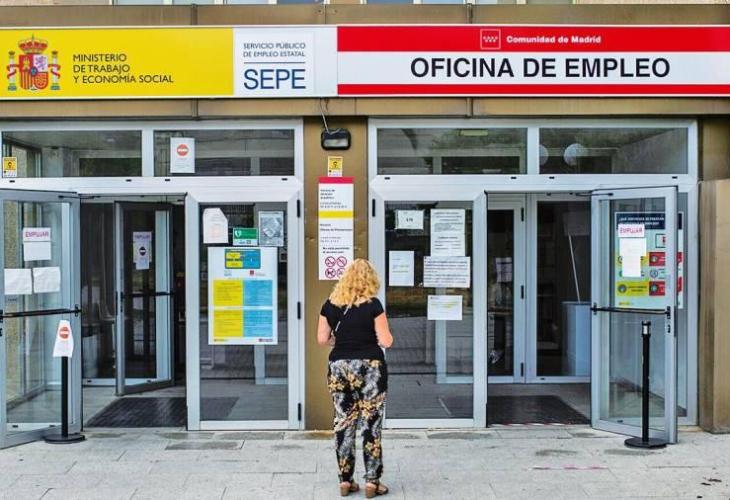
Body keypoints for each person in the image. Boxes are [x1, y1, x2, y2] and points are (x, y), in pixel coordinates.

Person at [317, 259, 394, 498]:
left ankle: (345, 480)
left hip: (339, 367)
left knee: (344, 421)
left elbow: (322, 339)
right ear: (371, 280)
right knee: (371, 424)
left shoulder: (330, 305)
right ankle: (372, 482)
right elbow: (386, 341)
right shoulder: (373, 305)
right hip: (371, 367)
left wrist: (342, 341)